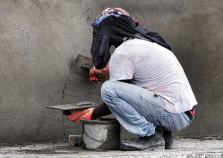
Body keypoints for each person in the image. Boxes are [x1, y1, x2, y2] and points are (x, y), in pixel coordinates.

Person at [67, 8, 197, 151]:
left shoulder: (123, 52)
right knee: (120, 88)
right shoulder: (144, 44)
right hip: (183, 113)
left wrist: (91, 113)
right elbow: (136, 86)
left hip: (173, 116)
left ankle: (151, 136)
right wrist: (105, 74)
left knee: (109, 89)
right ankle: (164, 136)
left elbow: (116, 93)